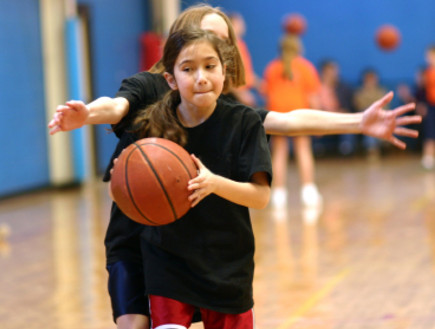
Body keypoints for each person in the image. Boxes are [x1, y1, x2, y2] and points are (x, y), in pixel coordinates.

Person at [48, 4, 421, 329]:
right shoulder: (150, 87)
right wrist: (85, 115)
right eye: (208, 35)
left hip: (200, 238)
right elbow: (115, 107)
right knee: (134, 321)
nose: (215, 47)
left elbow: (287, 121)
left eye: (223, 44)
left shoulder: (228, 112)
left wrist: (358, 122)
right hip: (138, 229)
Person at [129, 27, 272, 329]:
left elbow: (261, 197)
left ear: (225, 71)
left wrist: (214, 184)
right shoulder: (153, 122)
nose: (201, 77)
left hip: (227, 264)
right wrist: (126, 181)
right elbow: (129, 186)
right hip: (168, 260)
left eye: (210, 66)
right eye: (188, 69)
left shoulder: (245, 122)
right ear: (170, 79)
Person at [262, 33, 322, 209]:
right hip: (299, 113)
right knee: (303, 150)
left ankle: (279, 195)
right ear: (299, 49)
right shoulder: (305, 68)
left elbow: (267, 93)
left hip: (277, 114)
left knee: (279, 154)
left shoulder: (272, 68)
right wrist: (318, 121)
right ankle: (308, 192)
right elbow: (313, 98)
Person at [317, 59, 356, 156]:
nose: (333, 74)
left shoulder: (343, 88)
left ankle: (346, 150)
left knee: (348, 125)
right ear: (323, 72)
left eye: (334, 71)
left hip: (340, 119)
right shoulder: (316, 88)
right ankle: (318, 149)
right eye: (329, 72)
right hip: (322, 119)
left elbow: (349, 107)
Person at [227, 12, 262, 106]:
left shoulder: (240, 44)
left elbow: (245, 71)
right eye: (239, 22)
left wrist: (260, 85)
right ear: (231, 25)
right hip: (232, 97)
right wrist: (241, 94)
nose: (243, 25)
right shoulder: (229, 45)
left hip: (242, 92)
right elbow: (227, 73)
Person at [354, 68, 389, 159]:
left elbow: (386, 108)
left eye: (372, 78)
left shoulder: (381, 92)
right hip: (364, 121)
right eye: (368, 79)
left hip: (381, 119)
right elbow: (359, 107)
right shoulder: (359, 93)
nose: (370, 81)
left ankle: (376, 148)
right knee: (370, 127)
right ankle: (372, 151)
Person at [420, 45, 435, 169]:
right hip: (431, 106)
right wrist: (422, 105)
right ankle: (428, 159)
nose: (429, 58)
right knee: (430, 132)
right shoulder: (427, 72)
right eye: (428, 56)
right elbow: (423, 91)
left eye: (432, 55)